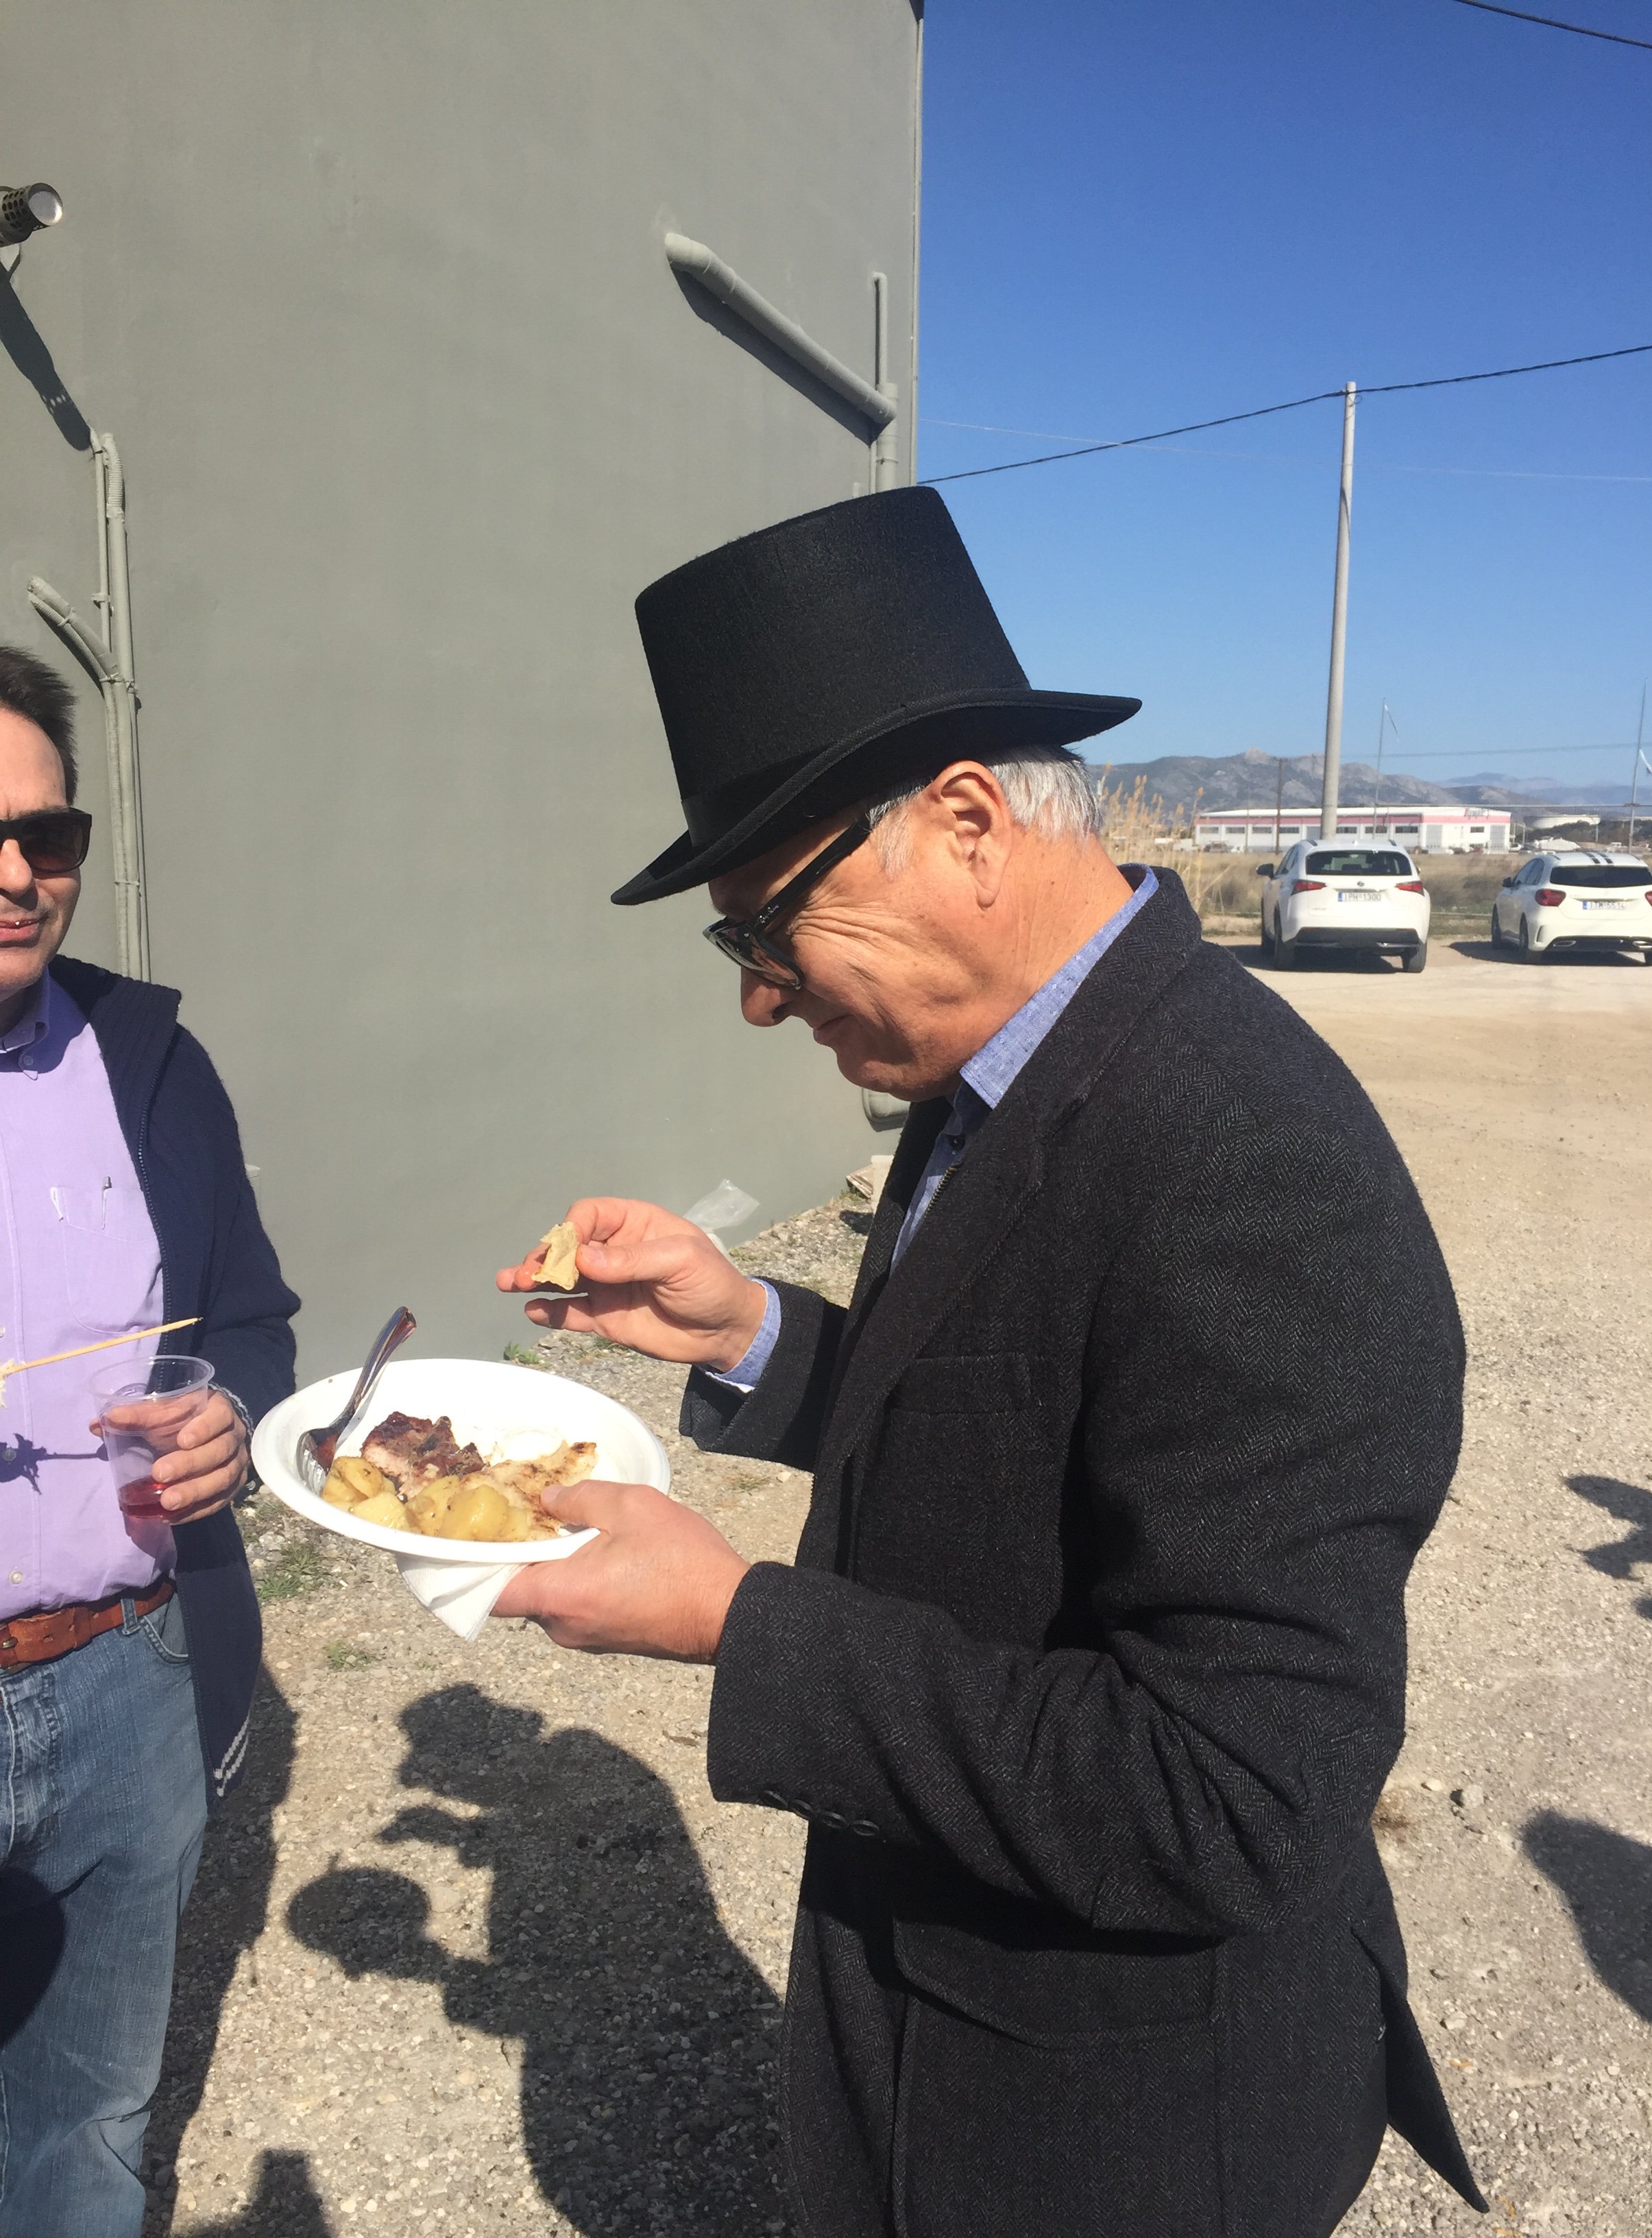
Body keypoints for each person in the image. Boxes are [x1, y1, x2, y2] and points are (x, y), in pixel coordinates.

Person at [493, 491, 1485, 2235]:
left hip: (1116, 2122)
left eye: (765, 929)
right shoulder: (1001, 1072)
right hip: (954, 2024)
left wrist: (739, 1623)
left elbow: (1233, 1794)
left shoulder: (1243, 1154)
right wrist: (749, 1331)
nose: (758, 998)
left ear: (963, 825)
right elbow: (1015, 1426)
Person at [0, 647, 298, 2237]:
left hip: (131, 1676)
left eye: (46, 836)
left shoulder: (154, 1060)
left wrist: (230, 1413)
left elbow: (252, 1316)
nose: (16, 877)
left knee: (88, 2121)